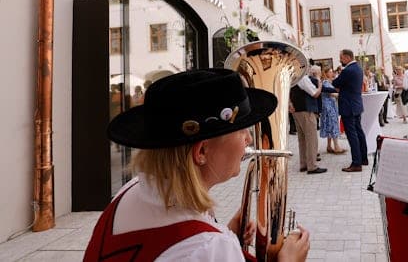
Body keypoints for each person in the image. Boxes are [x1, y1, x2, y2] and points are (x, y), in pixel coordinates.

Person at [84, 69, 310, 261]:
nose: (249, 139)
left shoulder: (130, 189)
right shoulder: (210, 248)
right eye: (241, 130)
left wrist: (225, 233)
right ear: (201, 151)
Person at [333, 49, 368, 172]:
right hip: (356, 105)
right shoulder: (358, 67)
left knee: (352, 134)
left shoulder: (348, 70)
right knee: (359, 132)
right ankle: (363, 158)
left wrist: (335, 80)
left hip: (348, 106)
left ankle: (356, 163)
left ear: (347, 57)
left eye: (341, 58)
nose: (340, 60)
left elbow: (336, 83)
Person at [289, 66, 327, 174]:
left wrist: (290, 103)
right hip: (306, 110)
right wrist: (319, 82)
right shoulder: (303, 78)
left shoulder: (292, 77)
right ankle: (312, 166)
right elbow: (315, 93)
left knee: (302, 139)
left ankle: (304, 164)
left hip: (296, 110)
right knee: (311, 139)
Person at [320, 66, 346, 154]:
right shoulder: (325, 83)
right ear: (326, 73)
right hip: (329, 107)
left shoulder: (327, 82)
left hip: (329, 106)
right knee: (333, 124)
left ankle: (329, 146)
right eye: (330, 72)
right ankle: (336, 147)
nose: (332, 73)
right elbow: (333, 94)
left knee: (329, 125)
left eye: (332, 72)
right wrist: (345, 94)